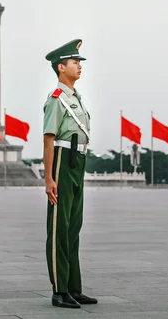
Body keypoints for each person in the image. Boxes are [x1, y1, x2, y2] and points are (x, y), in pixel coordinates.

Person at [42, 38, 97, 309]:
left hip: (79, 160)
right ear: (61, 67)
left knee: (74, 227)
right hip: (63, 161)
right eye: (75, 62)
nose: (79, 66)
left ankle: (74, 288)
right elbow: (49, 139)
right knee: (58, 229)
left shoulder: (77, 99)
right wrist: (49, 177)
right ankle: (59, 290)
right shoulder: (56, 100)